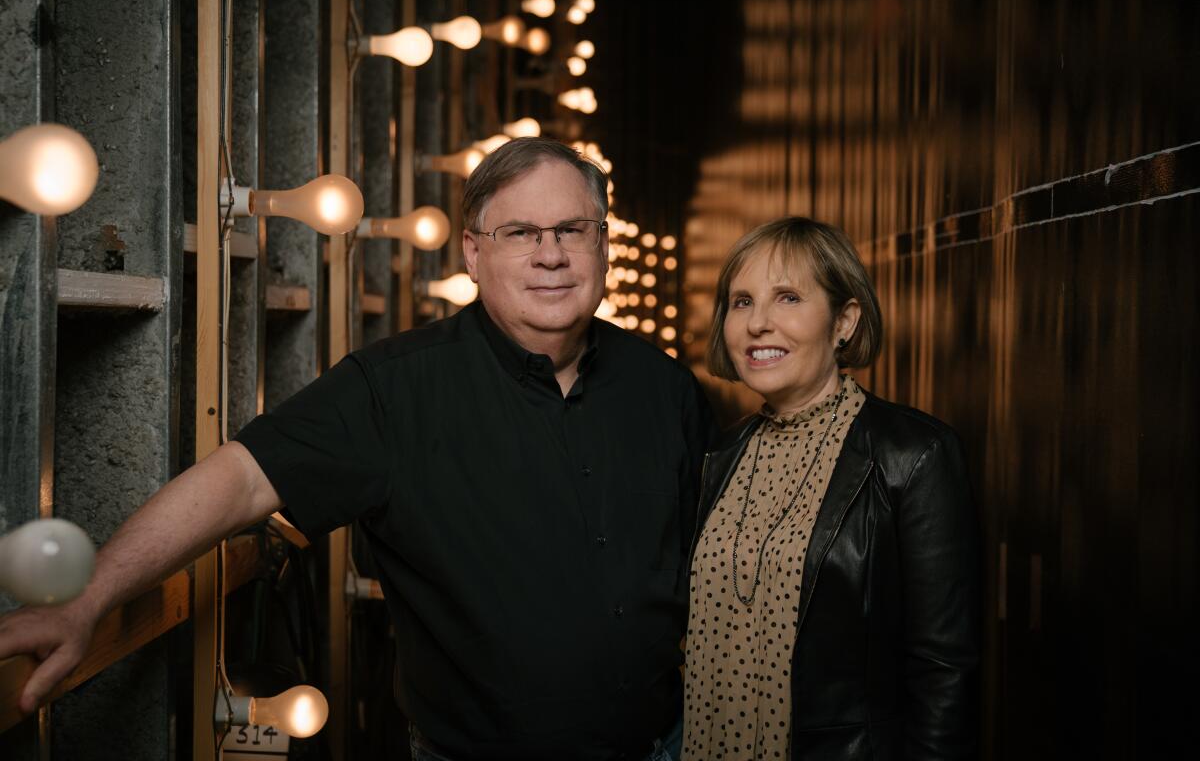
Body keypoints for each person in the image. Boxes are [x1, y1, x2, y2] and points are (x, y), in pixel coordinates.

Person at [0, 138, 712, 761]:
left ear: (603, 244)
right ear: (472, 250)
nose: (551, 254)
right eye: (521, 232)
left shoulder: (667, 389)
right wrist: (88, 596)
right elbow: (239, 483)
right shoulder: (392, 389)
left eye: (572, 230)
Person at [683, 217, 978, 760]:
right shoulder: (719, 455)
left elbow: (944, 669)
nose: (758, 324)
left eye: (788, 297)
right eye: (742, 302)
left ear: (844, 321)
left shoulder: (913, 455)